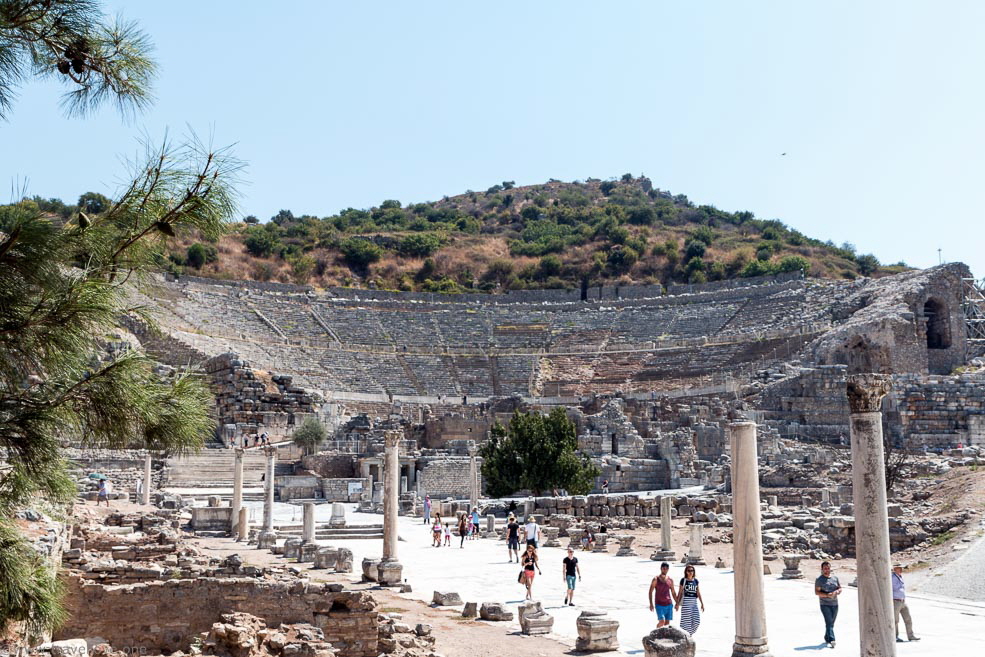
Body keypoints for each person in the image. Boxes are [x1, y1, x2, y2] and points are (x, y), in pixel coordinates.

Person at [815, 561, 842, 648]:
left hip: (835, 604)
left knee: (831, 623)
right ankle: (832, 639)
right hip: (825, 604)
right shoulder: (819, 580)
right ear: (822, 569)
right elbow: (817, 592)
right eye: (825, 568)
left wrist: (838, 591)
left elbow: (840, 587)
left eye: (828, 568)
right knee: (829, 622)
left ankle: (826, 637)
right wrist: (827, 595)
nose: (827, 570)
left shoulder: (835, 578)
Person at [892, 564, 920, 643]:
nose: (900, 569)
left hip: (902, 601)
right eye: (898, 568)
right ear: (895, 569)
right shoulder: (892, 578)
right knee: (895, 620)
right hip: (895, 601)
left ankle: (911, 636)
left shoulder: (900, 577)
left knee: (908, 619)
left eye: (901, 568)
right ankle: (895, 636)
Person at [675, 564, 704, 636]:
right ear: (686, 572)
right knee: (686, 622)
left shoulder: (696, 581)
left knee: (697, 621)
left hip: (694, 603)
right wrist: (677, 603)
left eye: (692, 570)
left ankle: (688, 634)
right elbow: (680, 592)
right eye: (689, 571)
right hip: (686, 603)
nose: (691, 572)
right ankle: (686, 636)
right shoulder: (683, 580)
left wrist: (702, 603)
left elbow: (698, 592)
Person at [648, 562, 678, 628]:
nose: (665, 570)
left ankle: (664, 637)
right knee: (662, 622)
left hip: (669, 604)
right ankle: (656, 634)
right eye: (663, 568)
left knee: (667, 624)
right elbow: (650, 592)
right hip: (659, 604)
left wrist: (677, 603)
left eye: (666, 568)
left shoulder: (670, 580)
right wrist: (651, 604)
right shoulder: (656, 579)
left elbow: (673, 592)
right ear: (661, 569)